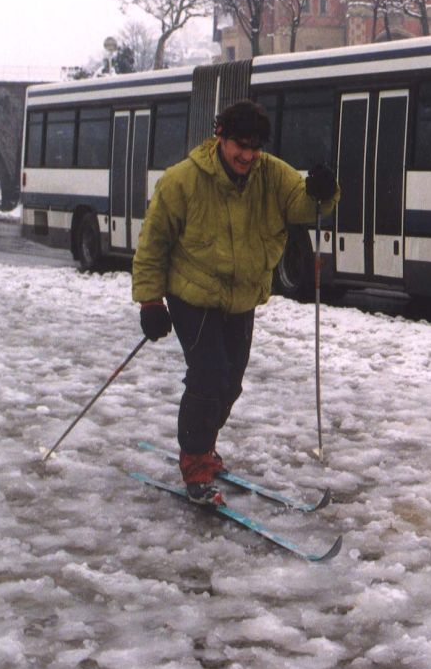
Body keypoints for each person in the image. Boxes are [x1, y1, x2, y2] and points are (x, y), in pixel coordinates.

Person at [131, 100, 339, 504]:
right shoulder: (182, 181)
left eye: (255, 147)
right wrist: (150, 302)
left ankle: (204, 443)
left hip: (242, 296)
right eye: (239, 145)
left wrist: (323, 192)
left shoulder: (271, 174)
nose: (247, 155)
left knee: (230, 382)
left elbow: (303, 205)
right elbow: (153, 244)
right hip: (193, 292)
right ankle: (195, 462)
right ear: (219, 138)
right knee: (208, 376)